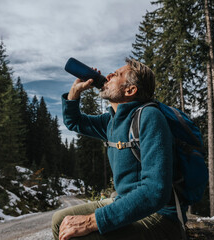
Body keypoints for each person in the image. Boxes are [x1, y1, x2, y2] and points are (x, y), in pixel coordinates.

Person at [52, 58, 186, 240]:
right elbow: (74, 122)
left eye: (117, 75)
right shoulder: (112, 121)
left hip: (159, 216)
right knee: (60, 219)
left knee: (81, 237)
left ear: (130, 90)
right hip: (124, 202)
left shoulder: (149, 116)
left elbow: (155, 192)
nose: (108, 76)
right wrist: (75, 92)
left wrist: (91, 221)